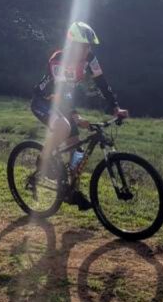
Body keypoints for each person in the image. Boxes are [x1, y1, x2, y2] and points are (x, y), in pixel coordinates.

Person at [31, 22, 128, 210]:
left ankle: (71, 192)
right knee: (63, 126)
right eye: (84, 46)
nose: (88, 50)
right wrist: (76, 116)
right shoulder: (59, 60)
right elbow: (63, 94)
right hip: (44, 101)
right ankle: (43, 159)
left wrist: (115, 106)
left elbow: (102, 82)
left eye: (89, 46)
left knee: (77, 155)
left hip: (64, 103)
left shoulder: (90, 58)